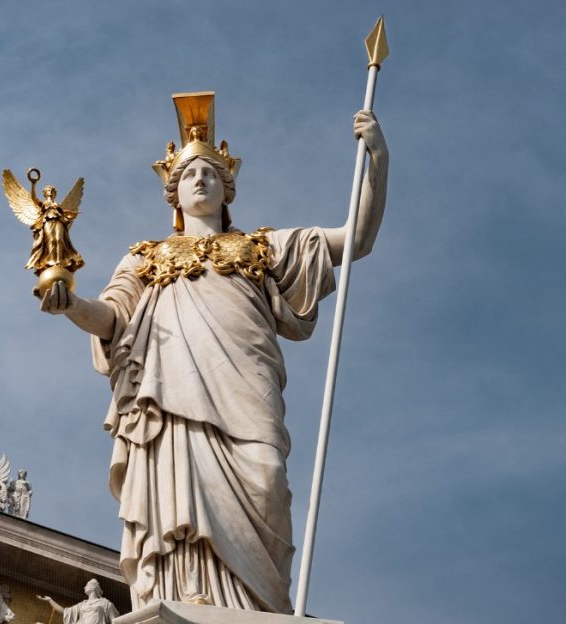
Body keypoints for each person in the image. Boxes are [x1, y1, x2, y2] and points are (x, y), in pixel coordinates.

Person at [40, 93, 388, 613]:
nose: (199, 180)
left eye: (209, 173)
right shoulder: (146, 258)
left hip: (246, 388)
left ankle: (258, 603)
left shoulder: (263, 247)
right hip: (172, 394)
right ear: (173, 194)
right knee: (181, 493)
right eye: (188, 175)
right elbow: (112, 318)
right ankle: (187, 594)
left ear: (228, 188)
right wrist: (70, 304)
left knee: (266, 474)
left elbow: (355, 239)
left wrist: (377, 160)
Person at [37, 579, 118, 624]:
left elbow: (115, 621)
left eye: (87, 585)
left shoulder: (105, 603)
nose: (84, 587)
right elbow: (65, 612)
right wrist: (50, 600)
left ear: (94, 587)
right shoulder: (82, 605)